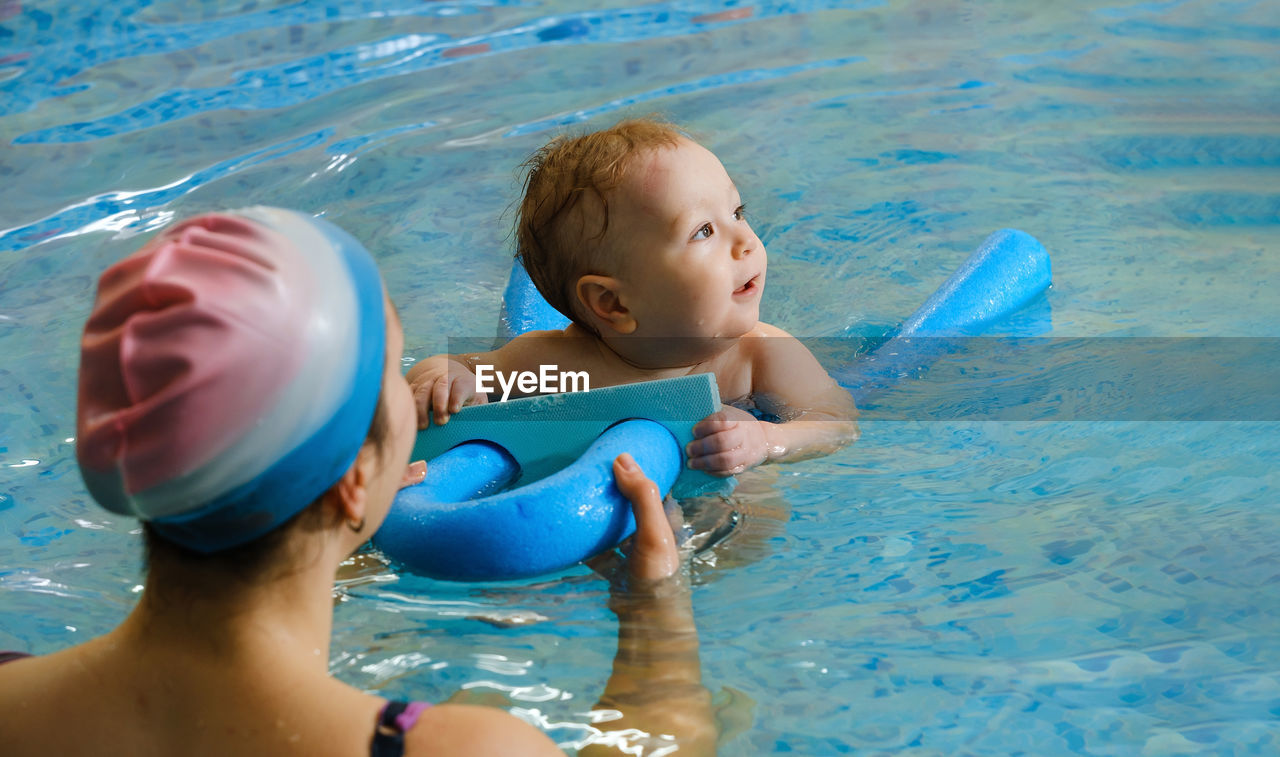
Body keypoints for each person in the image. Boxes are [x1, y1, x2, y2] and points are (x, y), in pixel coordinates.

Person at [0, 207, 707, 756]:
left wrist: (343, 538)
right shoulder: (467, 749)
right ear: (353, 477)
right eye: (397, 374)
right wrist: (654, 615)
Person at [409, 117, 858, 477]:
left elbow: (836, 421)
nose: (745, 241)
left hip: (720, 497)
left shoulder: (757, 358)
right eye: (703, 230)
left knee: (757, 519)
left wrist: (765, 442)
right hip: (597, 499)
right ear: (613, 305)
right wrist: (443, 379)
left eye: (737, 212)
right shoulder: (553, 367)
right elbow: (463, 369)